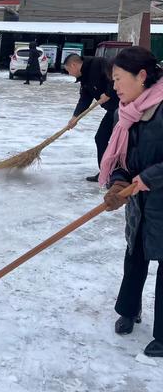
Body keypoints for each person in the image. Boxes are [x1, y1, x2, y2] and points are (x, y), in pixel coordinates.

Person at [101, 46, 163, 358]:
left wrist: (150, 177)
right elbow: (124, 160)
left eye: (117, 79)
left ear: (141, 76)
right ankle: (129, 311)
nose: (114, 86)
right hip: (139, 202)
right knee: (134, 256)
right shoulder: (123, 113)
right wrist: (119, 182)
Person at [64, 53, 119, 182]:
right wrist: (75, 117)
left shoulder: (99, 63)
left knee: (120, 141)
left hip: (124, 108)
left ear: (74, 65)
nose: (69, 74)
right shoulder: (84, 78)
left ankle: (119, 175)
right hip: (112, 111)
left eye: (68, 70)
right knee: (100, 138)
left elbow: (115, 78)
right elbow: (85, 98)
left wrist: (108, 93)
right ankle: (105, 172)